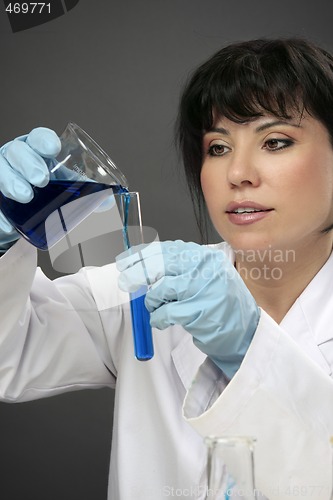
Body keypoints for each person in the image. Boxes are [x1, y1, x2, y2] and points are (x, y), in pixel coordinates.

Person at [0, 37, 333, 500]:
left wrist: (248, 351)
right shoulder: (146, 289)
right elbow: (7, 354)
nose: (238, 173)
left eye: (275, 141)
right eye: (217, 148)